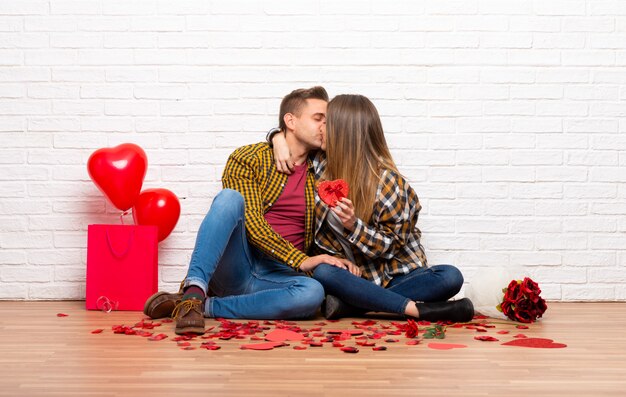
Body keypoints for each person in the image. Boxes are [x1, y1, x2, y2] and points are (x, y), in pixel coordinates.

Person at [143, 86, 359, 335]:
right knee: (229, 199)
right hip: (240, 264)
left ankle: (203, 307)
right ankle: (193, 292)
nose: (325, 127)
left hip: (278, 277)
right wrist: (303, 260)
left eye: (328, 121)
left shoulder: (323, 170)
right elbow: (253, 224)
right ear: (291, 121)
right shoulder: (248, 158)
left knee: (312, 294)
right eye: (318, 119)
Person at [269, 94, 474, 322]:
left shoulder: (388, 182)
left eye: (327, 123)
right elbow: (294, 137)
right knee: (323, 271)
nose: (320, 128)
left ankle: (355, 307)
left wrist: (353, 225)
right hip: (349, 278)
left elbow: (391, 246)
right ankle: (409, 309)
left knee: (449, 277)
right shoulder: (318, 165)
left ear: (343, 131)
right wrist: (277, 137)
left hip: (394, 276)